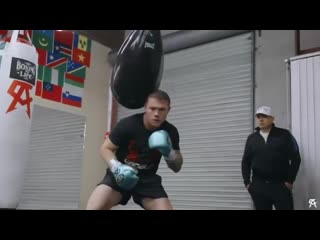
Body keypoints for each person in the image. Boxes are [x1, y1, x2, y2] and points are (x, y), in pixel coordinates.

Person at [86, 90, 183, 210]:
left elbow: (177, 167)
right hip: (120, 174)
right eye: (152, 108)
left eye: (162, 109)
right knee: (95, 206)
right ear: (145, 107)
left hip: (147, 179)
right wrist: (116, 167)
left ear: (169, 110)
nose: (157, 113)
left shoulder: (171, 131)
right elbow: (105, 148)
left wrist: (169, 153)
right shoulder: (127, 125)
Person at [241, 106, 301, 210]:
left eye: (264, 116)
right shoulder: (252, 138)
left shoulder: (284, 135)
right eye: (258, 116)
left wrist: (290, 181)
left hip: (280, 186)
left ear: (272, 118)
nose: (261, 119)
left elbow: (296, 158)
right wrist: (247, 183)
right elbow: (246, 161)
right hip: (259, 187)